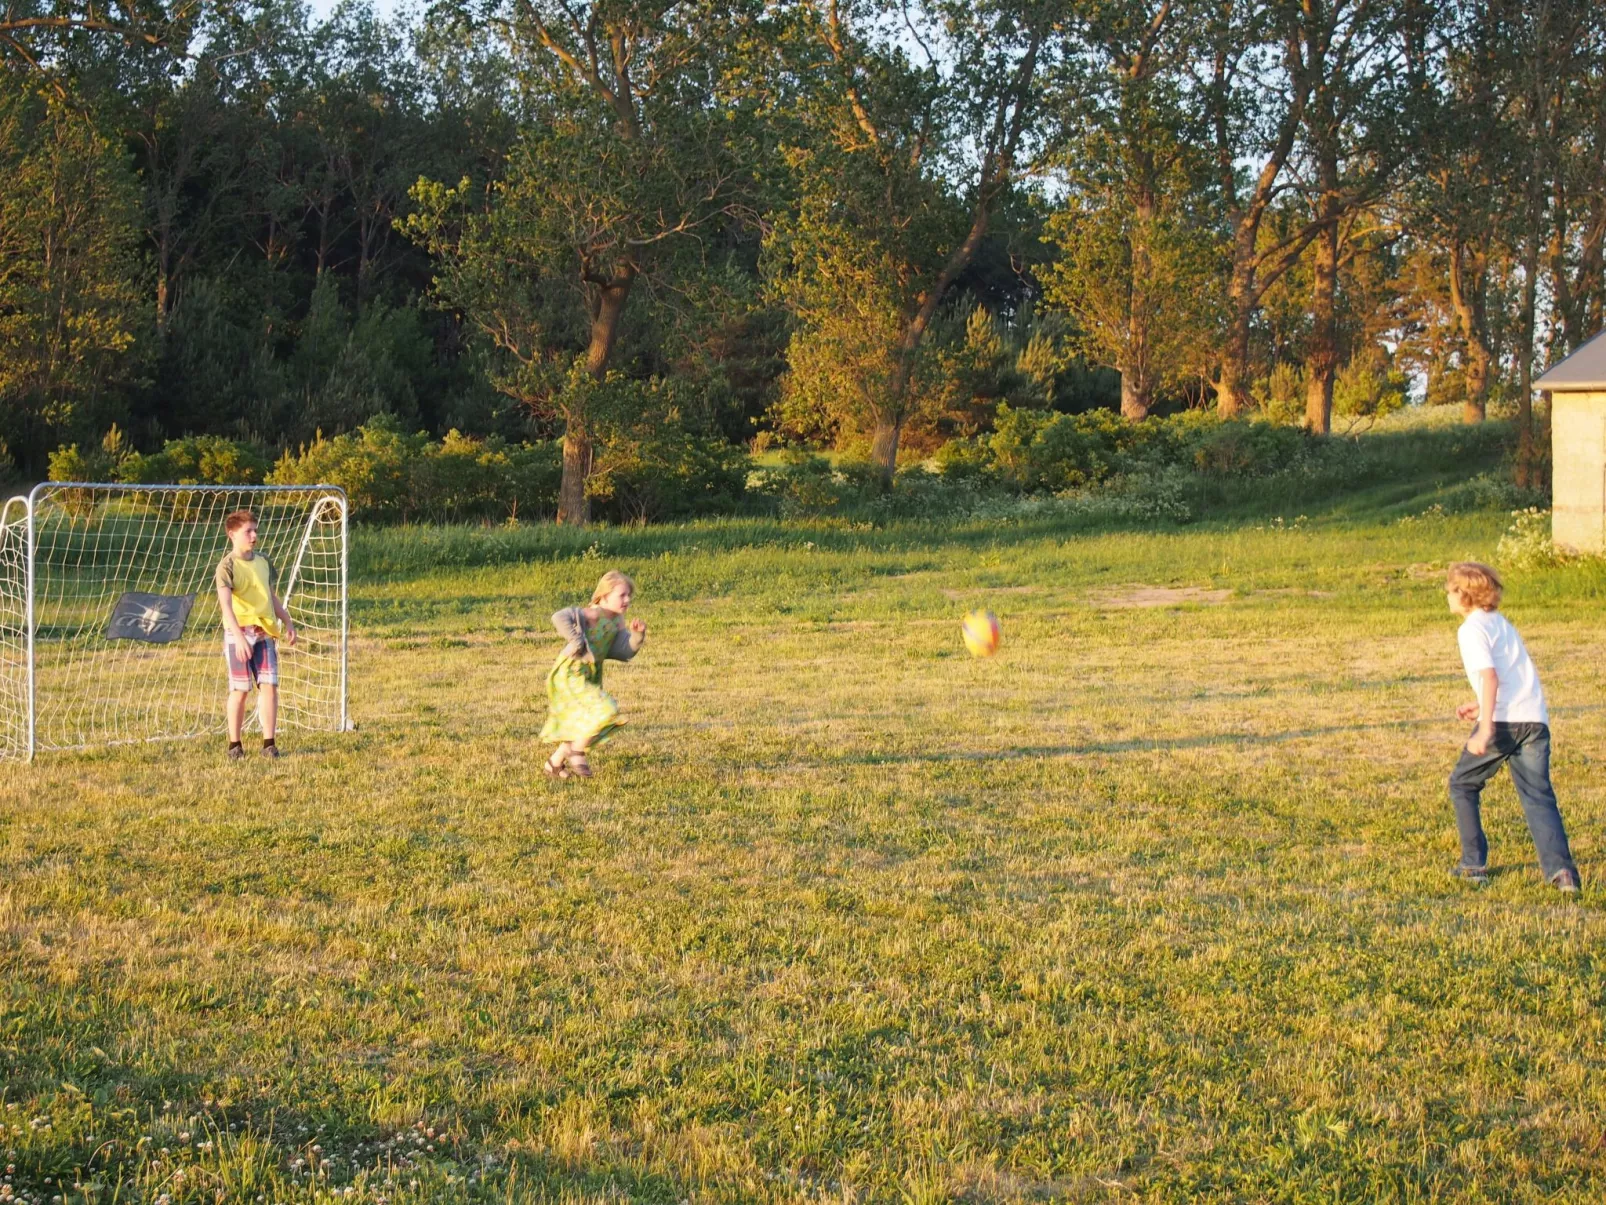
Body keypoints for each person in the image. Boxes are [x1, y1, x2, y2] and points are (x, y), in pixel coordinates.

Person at [1444, 561, 1579, 892]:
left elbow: (1490, 676)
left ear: (1464, 595)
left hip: (1504, 721)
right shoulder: (1501, 624)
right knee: (1538, 796)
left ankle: (1473, 865)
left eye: (1449, 590)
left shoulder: (1471, 629)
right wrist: (1479, 704)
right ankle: (1562, 874)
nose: (1446, 596)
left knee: (1463, 783)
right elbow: (1510, 675)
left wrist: (1485, 725)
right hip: (1533, 718)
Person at [541, 570, 646, 779]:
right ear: (604, 596)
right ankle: (577, 753)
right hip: (571, 672)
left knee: (584, 721)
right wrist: (576, 640)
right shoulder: (592, 614)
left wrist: (637, 636)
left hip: (590, 674)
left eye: (629, 595)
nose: (627, 600)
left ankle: (554, 764)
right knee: (606, 709)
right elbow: (559, 616)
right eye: (622, 595)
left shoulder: (617, 621)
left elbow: (624, 651)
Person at [215, 508, 296, 760]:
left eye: (255, 530)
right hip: (238, 634)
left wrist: (287, 620)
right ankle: (234, 745)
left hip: (264, 633)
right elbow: (225, 606)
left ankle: (269, 743)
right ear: (232, 534)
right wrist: (238, 637)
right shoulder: (226, 566)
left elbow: (270, 596)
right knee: (240, 690)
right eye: (247, 531)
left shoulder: (263, 562)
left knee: (270, 685)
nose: (253, 536)